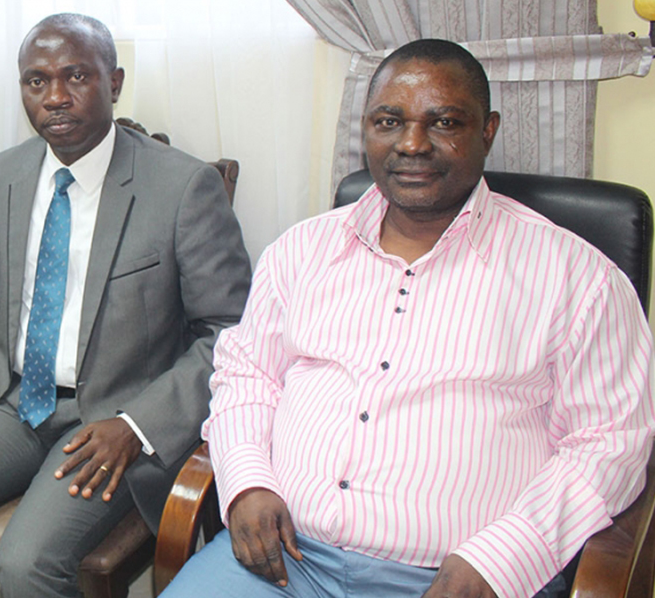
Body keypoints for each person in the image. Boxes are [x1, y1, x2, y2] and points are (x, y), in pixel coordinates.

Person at [160, 39, 655, 598]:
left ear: (487, 131)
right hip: (280, 559)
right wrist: (247, 481)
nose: (412, 144)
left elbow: (609, 444)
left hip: (459, 578)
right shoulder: (299, 251)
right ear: (366, 129)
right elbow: (247, 378)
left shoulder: (579, 277)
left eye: (443, 122)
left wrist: (505, 557)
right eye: (389, 121)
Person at [0, 13, 252, 598]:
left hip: (115, 417)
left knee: (26, 565)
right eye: (36, 81)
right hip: (13, 399)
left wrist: (135, 425)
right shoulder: (7, 173)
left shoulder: (183, 187)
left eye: (76, 76)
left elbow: (227, 332)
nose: (55, 98)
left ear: (114, 82)